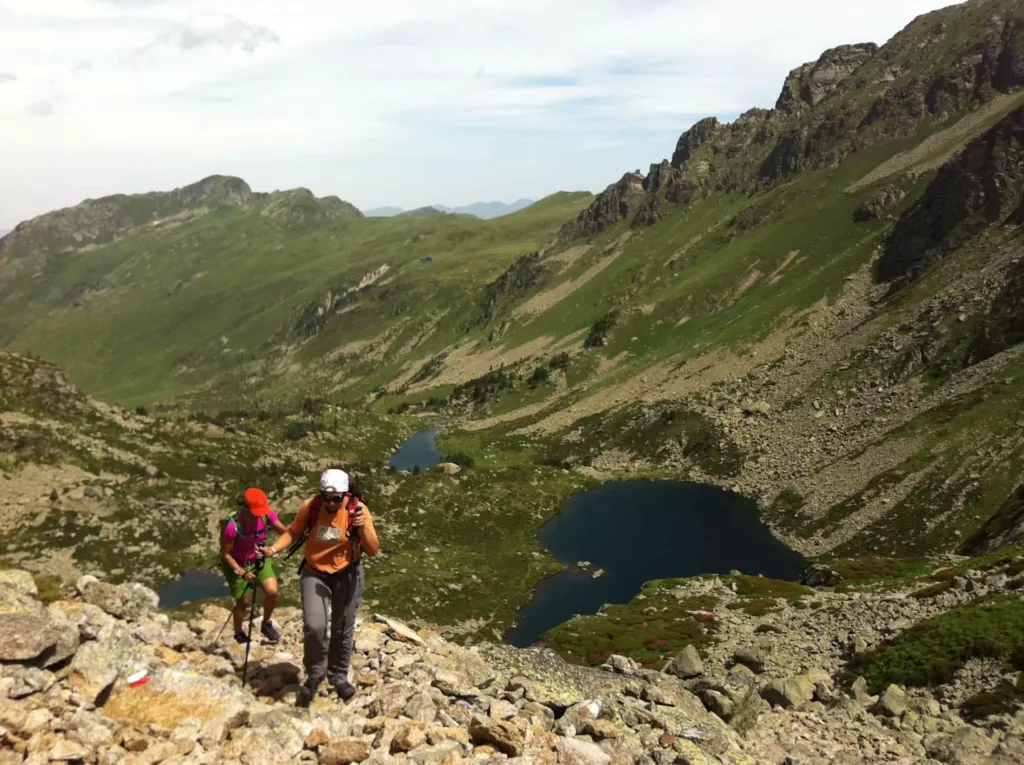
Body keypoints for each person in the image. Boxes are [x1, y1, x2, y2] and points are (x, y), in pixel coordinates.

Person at [259, 468, 379, 705]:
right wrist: (271, 551)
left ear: (345, 494)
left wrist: (363, 526)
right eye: (326, 497)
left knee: (341, 628)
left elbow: (373, 550)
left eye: (336, 498)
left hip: (347, 573)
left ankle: (338, 676)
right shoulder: (311, 506)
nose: (331, 503)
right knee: (314, 626)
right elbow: (293, 532)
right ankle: (316, 672)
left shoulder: (358, 510)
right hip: (315, 573)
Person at [221, 487, 287, 644]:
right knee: (243, 602)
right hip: (238, 563)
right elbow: (226, 554)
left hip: (259, 559)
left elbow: (285, 532)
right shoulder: (232, 527)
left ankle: (266, 623)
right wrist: (242, 572)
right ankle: (238, 633)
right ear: (246, 507)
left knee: (272, 591)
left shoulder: (266, 515)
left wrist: (271, 550)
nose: (259, 515)